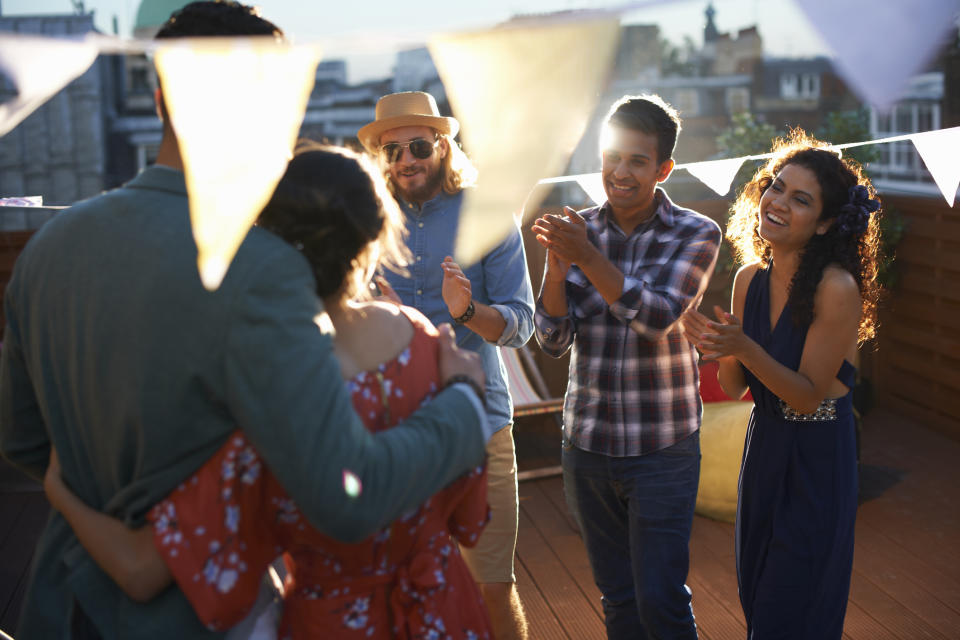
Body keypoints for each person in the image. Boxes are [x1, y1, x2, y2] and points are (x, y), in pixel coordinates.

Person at [0, 4, 489, 638]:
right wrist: (461, 405)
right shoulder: (262, 267)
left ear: (158, 100)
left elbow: (20, 440)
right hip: (195, 620)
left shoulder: (47, 248)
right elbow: (349, 497)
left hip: (58, 605)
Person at [532, 94, 721, 640]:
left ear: (663, 169)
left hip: (662, 446)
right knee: (618, 600)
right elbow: (552, 339)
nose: (619, 171)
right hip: (586, 443)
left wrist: (588, 258)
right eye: (613, 156)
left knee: (661, 599)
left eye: (638, 161)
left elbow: (658, 316)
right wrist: (556, 266)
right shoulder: (577, 228)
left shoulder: (696, 233)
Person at [681, 130, 882, 639]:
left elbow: (808, 393)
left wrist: (744, 347)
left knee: (791, 610)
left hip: (817, 458)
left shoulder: (836, 288)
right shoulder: (749, 278)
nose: (777, 202)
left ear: (826, 223)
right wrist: (716, 346)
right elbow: (733, 387)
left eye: (801, 199)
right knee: (757, 594)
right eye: (776, 186)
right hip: (765, 445)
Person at [357, 91, 535, 640]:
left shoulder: (488, 213)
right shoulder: (366, 223)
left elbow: (522, 323)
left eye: (417, 145)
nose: (406, 159)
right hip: (394, 431)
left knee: (492, 586)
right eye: (393, 151)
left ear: (443, 146)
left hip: (480, 424)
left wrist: (468, 311)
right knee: (400, 586)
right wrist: (372, 317)